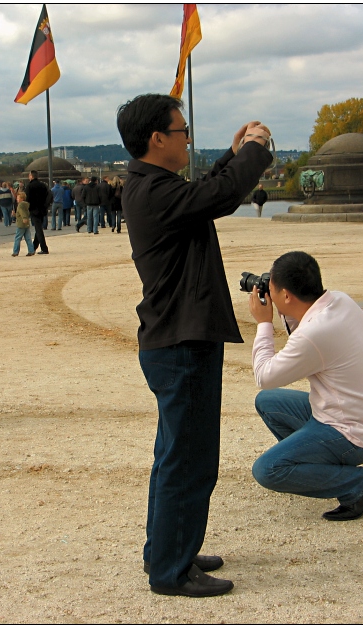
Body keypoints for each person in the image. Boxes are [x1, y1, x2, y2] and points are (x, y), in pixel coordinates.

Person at [117, 92, 273, 598]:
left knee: (176, 455)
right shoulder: (153, 191)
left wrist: (231, 155)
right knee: (189, 459)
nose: (188, 138)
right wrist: (256, 148)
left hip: (176, 339)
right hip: (181, 342)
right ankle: (171, 570)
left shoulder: (151, 184)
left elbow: (209, 188)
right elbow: (222, 196)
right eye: (182, 131)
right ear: (157, 139)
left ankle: (168, 548)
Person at [247, 251, 363, 521]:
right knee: (268, 402)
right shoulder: (339, 301)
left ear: (287, 295)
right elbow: (303, 333)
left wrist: (264, 323)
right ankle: (315, 466)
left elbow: (264, 376)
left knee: (267, 470)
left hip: (353, 436)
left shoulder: (315, 333)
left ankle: (356, 483)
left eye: (272, 288)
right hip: (361, 417)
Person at [26, 170, 50, 254]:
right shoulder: (43, 185)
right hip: (42, 209)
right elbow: (49, 196)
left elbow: (27, 199)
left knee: (38, 229)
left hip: (34, 209)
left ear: (31, 176)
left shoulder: (29, 186)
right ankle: (34, 246)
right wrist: (46, 205)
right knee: (38, 228)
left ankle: (44, 248)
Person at [11, 191, 35, 257]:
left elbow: (22, 213)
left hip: (21, 224)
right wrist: (15, 215)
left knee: (17, 238)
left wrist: (24, 218)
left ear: (21, 198)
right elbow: (23, 213)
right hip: (26, 224)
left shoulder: (20, 205)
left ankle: (15, 252)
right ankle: (31, 250)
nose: (17, 199)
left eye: (18, 198)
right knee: (28, 238)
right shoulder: (26, 205)